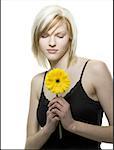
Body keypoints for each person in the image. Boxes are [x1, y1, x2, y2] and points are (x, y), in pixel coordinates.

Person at [25, 5, 113, 150]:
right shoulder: (37, 82)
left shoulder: (95, 70)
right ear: (36, 39)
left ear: (70, 37)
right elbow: (29, 146)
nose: (51, 43)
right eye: (44, 36)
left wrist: (72, 125)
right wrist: (48, 128)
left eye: (59, 36)